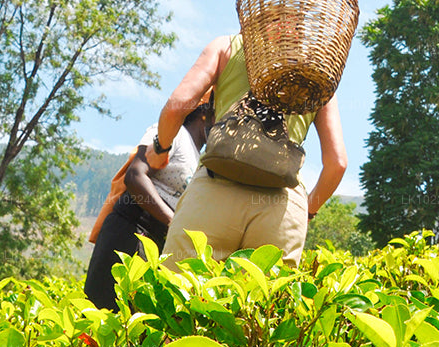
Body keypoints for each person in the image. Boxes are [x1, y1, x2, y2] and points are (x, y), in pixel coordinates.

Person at [147, 32, 346, 267]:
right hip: (281, 206)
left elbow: (177, 106)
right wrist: (308, 210)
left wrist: (161, 149)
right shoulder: (317, 70)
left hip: (214, 190)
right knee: (265, 300)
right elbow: (337, 163)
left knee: (178, 295)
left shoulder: (228, 46)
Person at [83, 99, 214, 309]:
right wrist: (174, 223)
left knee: (136, 327)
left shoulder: (202, 160)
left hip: (158, 245)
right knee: (104, 316)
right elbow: (135, 176)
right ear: (205, 114)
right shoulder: (174, 134)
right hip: (130, 232)